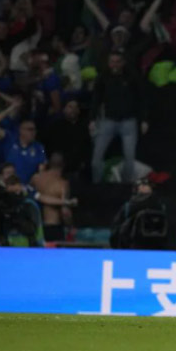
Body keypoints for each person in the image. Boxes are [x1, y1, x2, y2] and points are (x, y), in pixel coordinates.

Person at [90, 51, 148, 183]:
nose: (114, 65)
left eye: (117, 62)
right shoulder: (103, 77)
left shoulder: (132, 77)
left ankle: (126, 188)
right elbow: (96, 99)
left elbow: (141, 99)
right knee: (96, 159)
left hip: (128, 122)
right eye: (112, 62)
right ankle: (97, 186)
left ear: (123, 63)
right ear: (108, 63)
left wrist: (144, 119)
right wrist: (92, 119)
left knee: (129, 159)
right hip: (108, 121)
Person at [30, 152, 78, 242]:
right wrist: (70, 227)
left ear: (49, 163)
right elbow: (65, 212)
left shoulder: (36, 178)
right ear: (63, 165)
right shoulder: (62, 184)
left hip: (35, 226)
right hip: (53, 227)